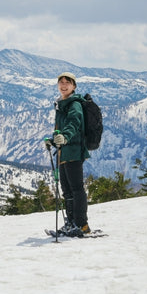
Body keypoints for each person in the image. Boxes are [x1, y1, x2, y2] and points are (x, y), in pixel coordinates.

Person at [49, 72, 91, 237]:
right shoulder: (61, 104)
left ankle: (82, 224)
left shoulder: (75, 105)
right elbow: (60, 129)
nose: (64, 85)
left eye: (67, 82)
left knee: (76, 189)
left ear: (74, 86)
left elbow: (74, 123)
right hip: (63, 152)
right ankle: (71, 222)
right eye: (61, 82)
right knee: (67, 190)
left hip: (74, 151)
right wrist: (53, 141)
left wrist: (64, 137)